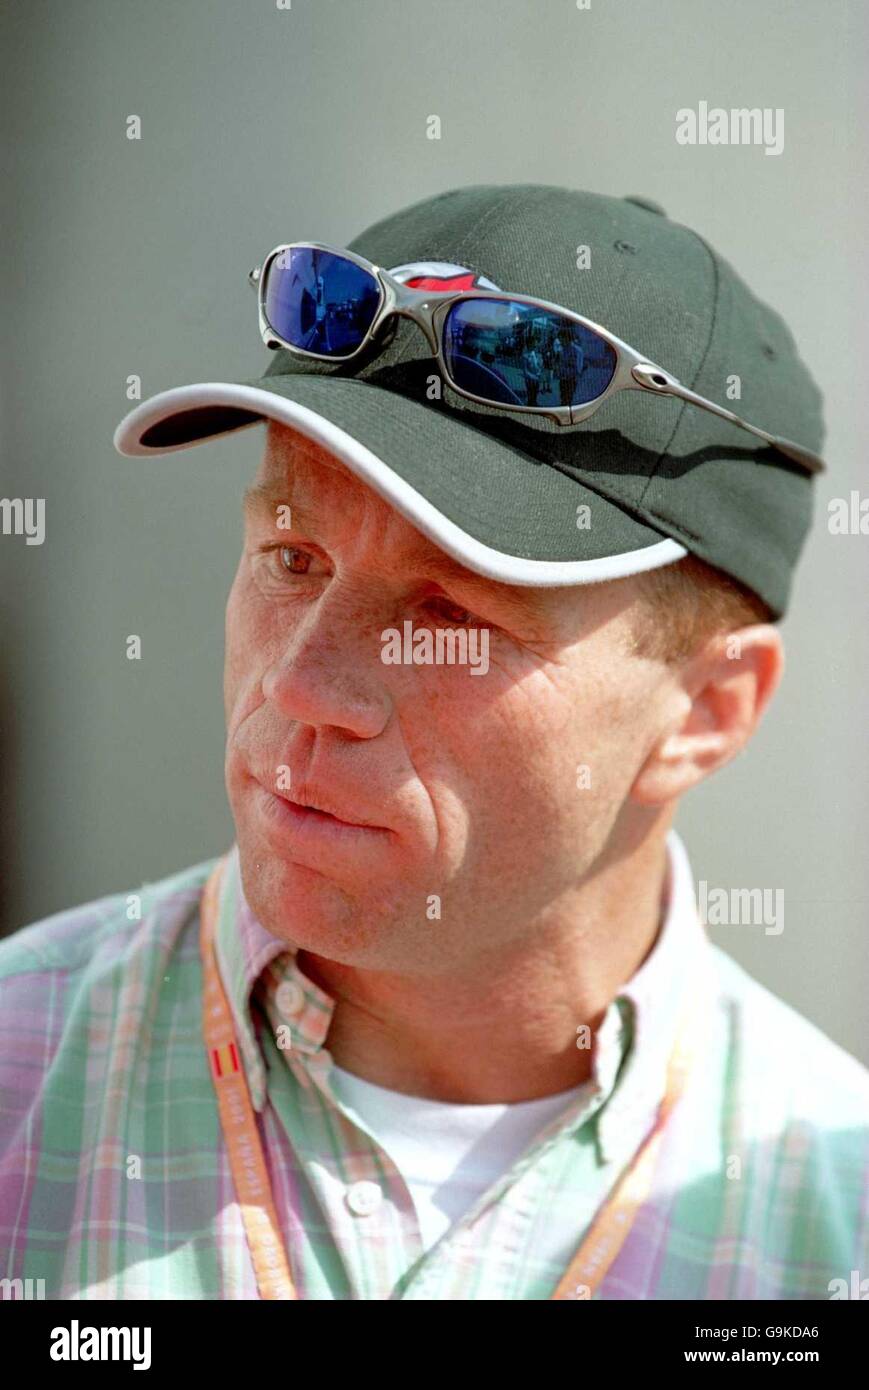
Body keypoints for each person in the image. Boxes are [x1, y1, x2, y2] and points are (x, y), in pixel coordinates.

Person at [1, 184, 866, 1301]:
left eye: (448, 614)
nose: (302, 684)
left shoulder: (832, 1218)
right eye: (291, 556)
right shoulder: (22, 1070)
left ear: (704, 711)